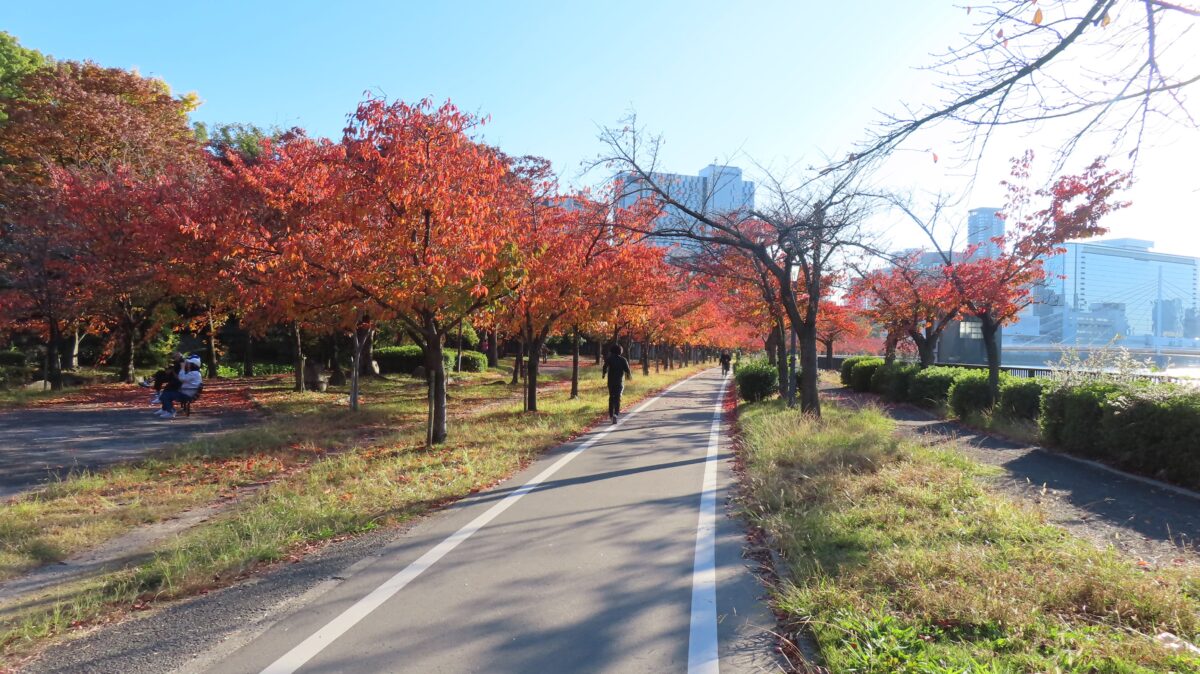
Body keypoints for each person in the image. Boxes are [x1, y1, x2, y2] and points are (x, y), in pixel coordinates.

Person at [601, 344, 632, 424]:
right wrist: (629, 376)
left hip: (611, 381)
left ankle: (611, 415)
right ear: (620, 351)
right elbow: (627, 370)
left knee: (611, 397)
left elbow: (605, 367)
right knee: (618, 398)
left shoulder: (609, 359)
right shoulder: (623, 360)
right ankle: (616, 414)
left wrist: (604, 374)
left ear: (612, 351)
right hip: (619, 382)